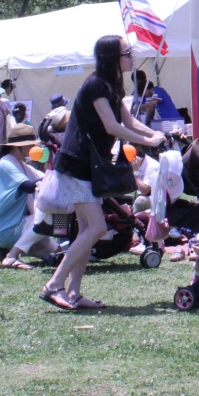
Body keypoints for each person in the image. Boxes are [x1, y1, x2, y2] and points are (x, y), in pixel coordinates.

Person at [40, 35, 164, 311]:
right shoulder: (96, 85)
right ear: (112, 57)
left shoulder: (112, 86)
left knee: (88, 229)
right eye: (127, 52)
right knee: (96, 228)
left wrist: (157, 134)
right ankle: (54, 285)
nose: (132, 56)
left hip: (88, 167)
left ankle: (73, 293)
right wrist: (148, 141)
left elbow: (129, 122)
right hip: (76, 164)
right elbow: (112, 127)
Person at [0, 124, 56, 268]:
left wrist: (53, 171)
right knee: (46, 219)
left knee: (59, 256)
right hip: (5, 230)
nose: (34, 148)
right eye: (30, 145)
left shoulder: (22, 165)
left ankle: (10, 252)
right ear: (17, 147)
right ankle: (11, 256)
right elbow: (29, 186)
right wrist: (54, 175)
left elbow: (45, 180)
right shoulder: (5, 164)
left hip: (21, 227)